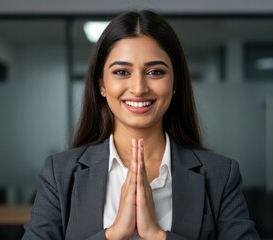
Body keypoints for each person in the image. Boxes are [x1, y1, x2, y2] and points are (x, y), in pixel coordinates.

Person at [22, 10, 259, 240]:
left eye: (155, 72)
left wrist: (158, 236)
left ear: (175, 82)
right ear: (101, 84)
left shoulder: (220, 175)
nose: (138, 88)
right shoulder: (60, 173)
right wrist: (112, 235)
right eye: (122, 72)